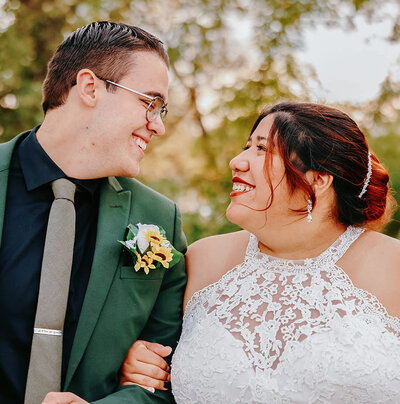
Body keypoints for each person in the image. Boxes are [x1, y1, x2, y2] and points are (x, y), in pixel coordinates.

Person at [121, 102, 400, 402]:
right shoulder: (201, 261)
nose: (236, 162)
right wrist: (136, 364)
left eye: (262, 149)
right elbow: (155, 366)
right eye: (246, 147)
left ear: (317, 179)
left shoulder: (392, 267)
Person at [0, 21, 187, 404]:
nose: (159, 126)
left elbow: (165, 383)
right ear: (90, 88)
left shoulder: (160, 219)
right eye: (150, 103)